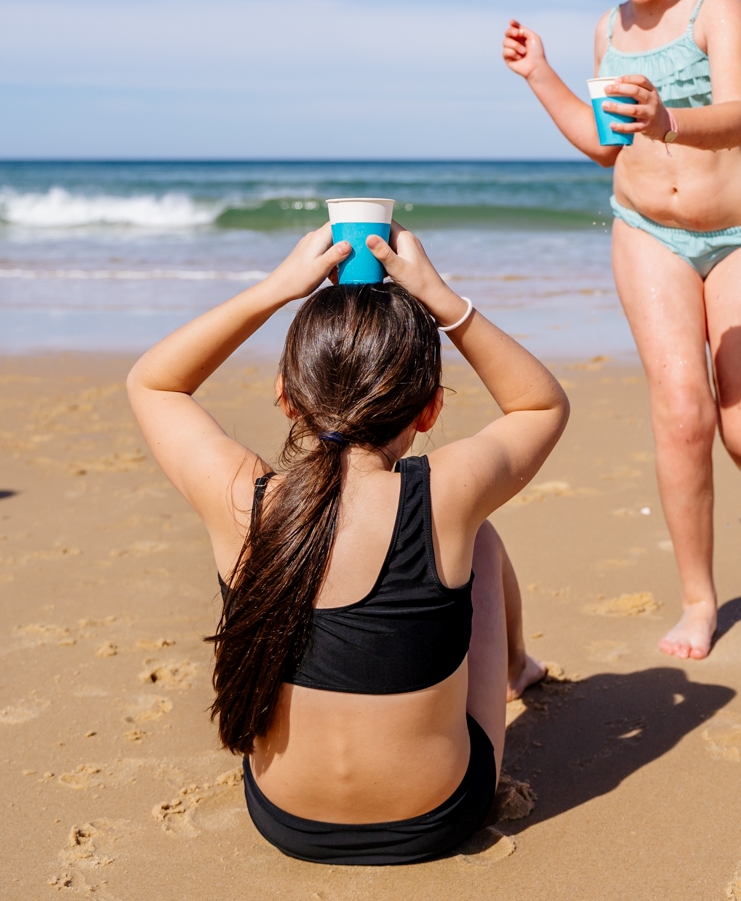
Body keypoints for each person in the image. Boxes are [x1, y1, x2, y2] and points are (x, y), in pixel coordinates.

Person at [126, 224, 567, 864]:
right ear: (429, 411)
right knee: (480, 539)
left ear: (285, 398)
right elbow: (540, 406)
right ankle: (517, 670)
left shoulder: (241, 498)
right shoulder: (443, 495)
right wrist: (442, 299)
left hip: (284, 820)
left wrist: (276, 291)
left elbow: (153, 383)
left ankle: (516, 669)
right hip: (436, 819)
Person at [500, 0, 741, 661]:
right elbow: (606, 149)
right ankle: (700, 600)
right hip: (645, 232)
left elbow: (739, 116)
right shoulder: (608, 30)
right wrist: (541, 75)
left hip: (740, 237)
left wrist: (669, 116)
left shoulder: (717, 6)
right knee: (680, 412)